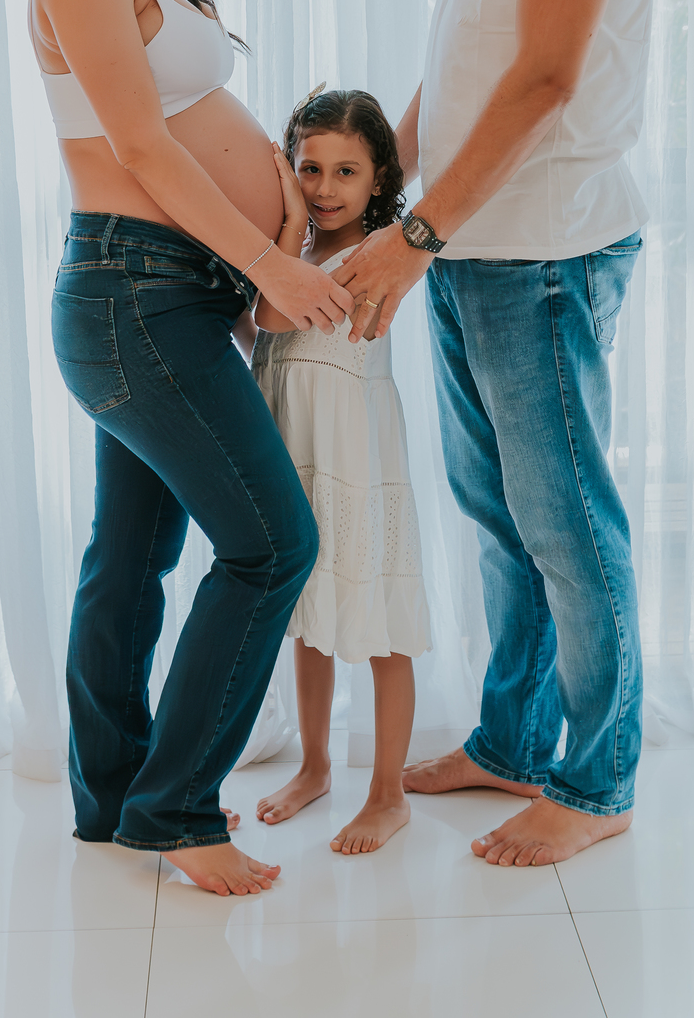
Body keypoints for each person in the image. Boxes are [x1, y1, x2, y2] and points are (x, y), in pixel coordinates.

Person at [332, 0, 654, 868]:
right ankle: (515, 742)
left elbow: (544, 80)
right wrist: (384, 202)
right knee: (500, 514)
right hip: (477, 245)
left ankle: (600, 777)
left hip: (542, 253)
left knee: (566, 521)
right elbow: (462, 68)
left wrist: (412, 235)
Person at [25, 0, 354, 898]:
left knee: (132, 559)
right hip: (134, 294)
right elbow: (143, 150)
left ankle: (117, 801)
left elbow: (190, 137)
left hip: (172, 295)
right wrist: (272, 269)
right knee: (272, 546)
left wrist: (265, 249)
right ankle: (174, 809)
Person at [251, 88, 432, 854]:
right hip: (298, 447)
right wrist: (288, 237)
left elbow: (267, 314)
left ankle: (388, 792)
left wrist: (285, 232)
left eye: (346, 171)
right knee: (311, 618)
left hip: (354, 451)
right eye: (310, 168)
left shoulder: (378, 250)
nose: (325, 188)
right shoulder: (292, 254)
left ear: (379, 176)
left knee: (381, 623)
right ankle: (316, 763)